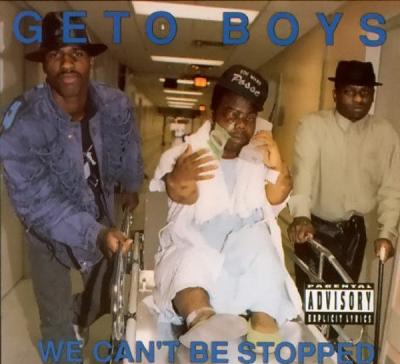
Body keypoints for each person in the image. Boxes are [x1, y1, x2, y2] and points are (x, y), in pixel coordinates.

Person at [0, 12, 143, 364]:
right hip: (46, 234)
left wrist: (131, 184)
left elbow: (129, 144)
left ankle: (80, 311)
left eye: (76, 53)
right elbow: (36, 203)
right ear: (44, 64)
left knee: (106, 295)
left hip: (102, 216)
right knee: (54, 318)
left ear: (89, 60)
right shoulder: (22, 122)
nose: (67, 63)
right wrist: (95, 234)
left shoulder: (114, 104)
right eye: (56, 54)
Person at [149, 65, 301, 349]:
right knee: (190, 259)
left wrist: (277, 165)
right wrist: (181, 178)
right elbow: (180, 193)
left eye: (249, 118)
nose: (240, 124)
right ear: (213, 114)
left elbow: (277, 196)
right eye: (232, 114)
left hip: (242, 262)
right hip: (197, 250)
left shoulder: (257, 159)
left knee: (261, 247)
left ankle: (264, 321)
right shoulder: (184, 154)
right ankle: (202, 319)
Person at [288, 60, 400, 299]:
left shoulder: (385, 134)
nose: (358, 99)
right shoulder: (313, 126)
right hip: (314, 228)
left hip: (354, 234)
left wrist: (387, 233)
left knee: (342, 304)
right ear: (335, 94)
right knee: (311, 303)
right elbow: (303, 172)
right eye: (350, 92)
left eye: (365, 93)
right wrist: (301, 216)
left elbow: (392, 188)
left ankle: (336, 327)